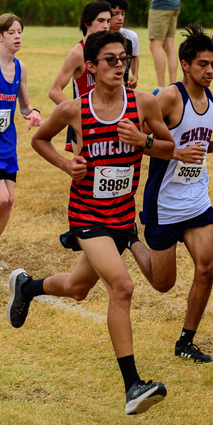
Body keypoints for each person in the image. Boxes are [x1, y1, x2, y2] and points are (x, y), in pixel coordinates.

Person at [7, 30, 175, 414]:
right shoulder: (75, 110)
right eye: (111, 60)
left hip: (121, 216)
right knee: (123, 285)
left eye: (125, 59)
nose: (120, 65)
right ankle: (133, 387)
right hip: (87, 214)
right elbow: (39, 140)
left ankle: (27, 288)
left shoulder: (144, 104)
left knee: (79, 288)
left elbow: (169, 149)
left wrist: (143, 142)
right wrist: (68, 164)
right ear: (92, 67)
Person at [120, 23, 213, 363]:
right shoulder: (170, 97)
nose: (210, 70)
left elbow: (204, 142)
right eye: (203, 64)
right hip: (164, 203)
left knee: (207, 267)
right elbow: (138, 142)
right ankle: (131, 238)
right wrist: (176, 152)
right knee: (163, 284)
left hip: (196, 197)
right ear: (186, 64)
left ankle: (186, 341)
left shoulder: (210, 98)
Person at [0, 13, 41, 268]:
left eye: (20, 32)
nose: (18, 37)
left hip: (7, 143)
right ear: (0, 36)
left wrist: (33, 112)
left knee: (9, 202)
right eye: (12, 32)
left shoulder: (20, 68)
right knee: (2, 198)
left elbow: (24, 106)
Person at [49, 0, 112, 154]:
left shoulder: (110, 50)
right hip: (86, 123)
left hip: (109, 118)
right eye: (101, 20)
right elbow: (55, 91)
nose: (106, 25)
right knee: (84, 171)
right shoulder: (78, 53)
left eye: (108, 21)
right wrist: (77, 115)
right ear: (87, 23)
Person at [148, 0, 180, 95]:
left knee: (155, 45)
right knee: (169, 45)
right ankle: (173, 87)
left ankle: (161, 89)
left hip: (160, 6)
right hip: (174, 5)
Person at [108, 0, 139, 88]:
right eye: (115, 14)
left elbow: (134, 56)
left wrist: (135, 75)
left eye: (123, 14)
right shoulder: (98, 37)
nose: (120, 18)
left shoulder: (131, 36)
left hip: (124, 89)